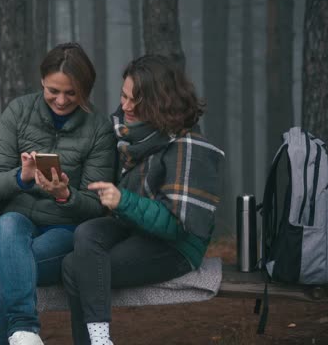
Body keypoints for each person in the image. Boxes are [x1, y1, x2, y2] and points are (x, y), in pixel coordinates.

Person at [61, 54, 225, 345]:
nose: (125, 107)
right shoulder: (129, 134)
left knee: (76, 268)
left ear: (160, 103)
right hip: (133, 225)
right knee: (87, 233)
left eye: (136, 101)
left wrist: (122, 201)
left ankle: (99, 339)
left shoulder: (189, 147)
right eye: (124, 96)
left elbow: (176, 226)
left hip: (175, 245)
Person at [0, 42, 116, 345]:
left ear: (86, 89)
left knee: (5, 270)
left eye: (72, 92)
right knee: (7, 223)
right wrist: (22, 177)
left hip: (65, 228)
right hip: (16, 224)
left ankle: (23, 333)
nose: (62, 100)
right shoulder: (19, 111)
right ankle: (25, 331)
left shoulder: (98, 130)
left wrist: (66, 194)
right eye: (54, 90)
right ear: (42, 80)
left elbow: (96, 206)